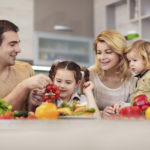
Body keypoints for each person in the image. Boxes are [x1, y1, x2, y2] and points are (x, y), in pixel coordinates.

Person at [0, 20, 51, 111]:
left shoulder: (26, 69)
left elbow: (31, 113)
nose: (18, 49)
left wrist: (34, 103)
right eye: (12, 44)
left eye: (18, 43)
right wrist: (23, 86)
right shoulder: (26, 83)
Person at [89, 30, 136, 117]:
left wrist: (123, 107)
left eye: (108, 52)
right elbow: (81, 109)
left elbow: (138, 108)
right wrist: (102, 113)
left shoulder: (133, 78)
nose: (102, 57)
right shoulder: (90, 74)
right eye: (99, 53)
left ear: (120, 54)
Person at [31, 61, 100, 118]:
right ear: (53, 80)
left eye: (68, 82)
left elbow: (96, 119)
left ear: (77, 84)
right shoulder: (47, 98)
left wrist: (88, 92)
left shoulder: (83, 100)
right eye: (58, 81)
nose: (62, 86)